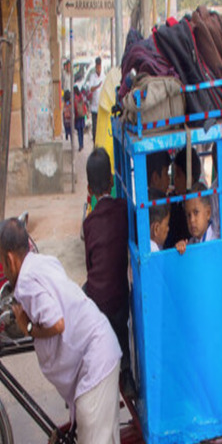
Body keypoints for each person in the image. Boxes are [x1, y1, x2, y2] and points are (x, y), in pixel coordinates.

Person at [0, 218, 156, 444]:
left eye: (0, 261)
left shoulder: (26, 281)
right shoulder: (41, 262)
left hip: (95, 364)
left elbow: (55, 324)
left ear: (10, 259)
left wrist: (25, 326)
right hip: (99, 353)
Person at [82, 148, 132, 391]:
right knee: (122, 326)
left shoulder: (88, 223)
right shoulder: (123, 209)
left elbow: (90, 266)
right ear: (112, 182)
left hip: (98, 301)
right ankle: (127, 371)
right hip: (119, 297)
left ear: (89, 190)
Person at [164, 147, 201, 250]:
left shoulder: (201, 202)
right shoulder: (175, 202)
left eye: (178, 175)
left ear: (190, 179)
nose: (174, 180)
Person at [175, 184, 219, 254]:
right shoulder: (190, 244)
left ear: (208, 213)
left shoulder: (218, 238)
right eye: (188, 215)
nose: (192, 220)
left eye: (196, 212)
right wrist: (180, 251)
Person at [86, 57, 105, 145]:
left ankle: (101, 143)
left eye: (99, 66)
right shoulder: (92, 76)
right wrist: (97, 86)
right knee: (95, 128)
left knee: (101, 127)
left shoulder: (103, 76)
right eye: (97, 67)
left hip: (101, 106)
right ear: (96, 66)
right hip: (94, 107)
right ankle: (95, 143)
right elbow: (91, 89)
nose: (98, 68)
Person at [73, 86, 87, 151]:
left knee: (79, 132)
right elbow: (84, 106)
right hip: (82, 116)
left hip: (77, 116)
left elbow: (75, 107)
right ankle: (82, 144)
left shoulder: (74, 98)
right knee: (81, 131)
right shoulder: (81, 96)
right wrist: (85, 113)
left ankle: (80, 145)